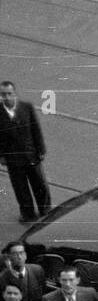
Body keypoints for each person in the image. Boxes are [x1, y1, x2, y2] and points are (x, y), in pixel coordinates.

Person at [0, 80, 50, 222]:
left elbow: (36, 130)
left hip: (31, 154)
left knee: (40, 185)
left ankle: (45, 211)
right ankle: (28, 214)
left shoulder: (26, 108)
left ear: (14, 94)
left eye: (9, 93)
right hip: (12, 158)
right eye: (3, 94)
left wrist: (41, 149)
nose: (7, 97)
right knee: (21, 189)